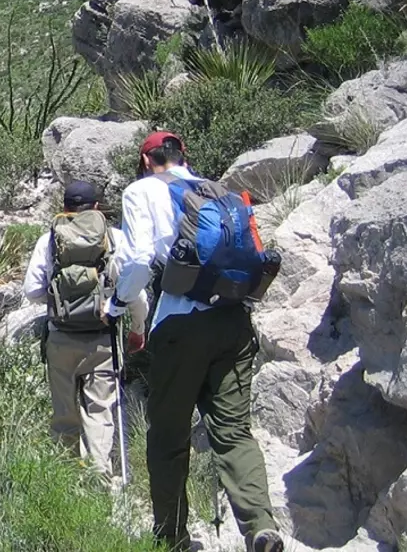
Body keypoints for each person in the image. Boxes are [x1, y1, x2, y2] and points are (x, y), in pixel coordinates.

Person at [105, 132, 284, 552]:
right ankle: (260, 525)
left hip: (180, 323)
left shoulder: (141, 191)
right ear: (183, 155)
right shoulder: (217, 192)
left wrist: (117, 305)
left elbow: (137, 260)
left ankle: (172, 537)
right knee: (235, 432)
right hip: (234, 322)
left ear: (147, 161)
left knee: (168, 435)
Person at [22, 179, 149, 482]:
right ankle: (99, 477)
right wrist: (138, 328)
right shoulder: (114, 238)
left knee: (64, 411)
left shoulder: (50, 240)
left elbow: (32, 290)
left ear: (65, 208)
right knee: (100, 409)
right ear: (96, 207)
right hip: (102, 337)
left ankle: (66, 478)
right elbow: (136, 293)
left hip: (61, 337)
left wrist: (58, 303)